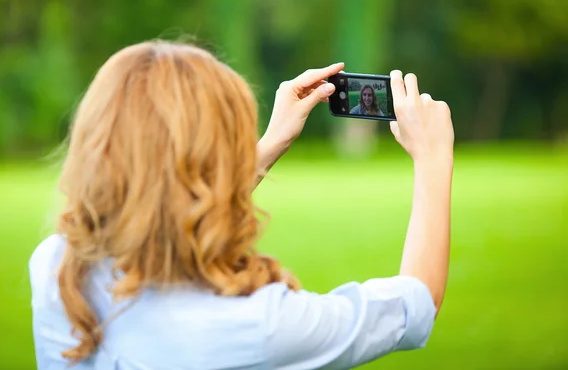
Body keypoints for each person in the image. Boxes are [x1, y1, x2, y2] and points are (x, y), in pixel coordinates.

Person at [29, 40, 454, 369]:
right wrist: (433, 158)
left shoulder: (57, 268)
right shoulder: (258, 326)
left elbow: (163, 214)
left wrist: (269, 145)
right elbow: (414, 304)